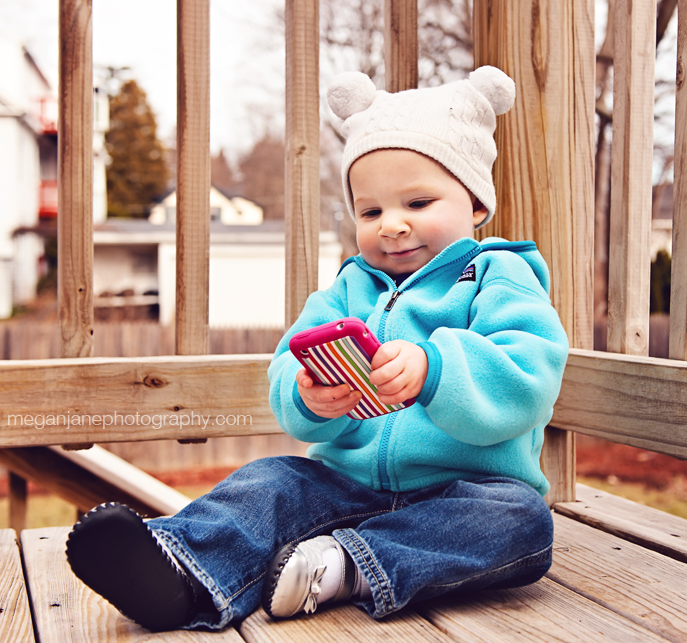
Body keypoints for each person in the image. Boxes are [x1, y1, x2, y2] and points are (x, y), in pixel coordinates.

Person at [65, 66, 569, 632]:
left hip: (466, 492)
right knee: (270, 482)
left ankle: (346, 566)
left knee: (522, 522)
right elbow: (286, 371)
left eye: (419, 202)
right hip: (343, 485)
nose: (393, 226)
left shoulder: (496, 274)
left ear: (476, 204)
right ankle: (178, 570)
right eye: (371, 211)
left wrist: (437, 368)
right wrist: (309, 397)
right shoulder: (347, 289)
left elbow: (530, 372)